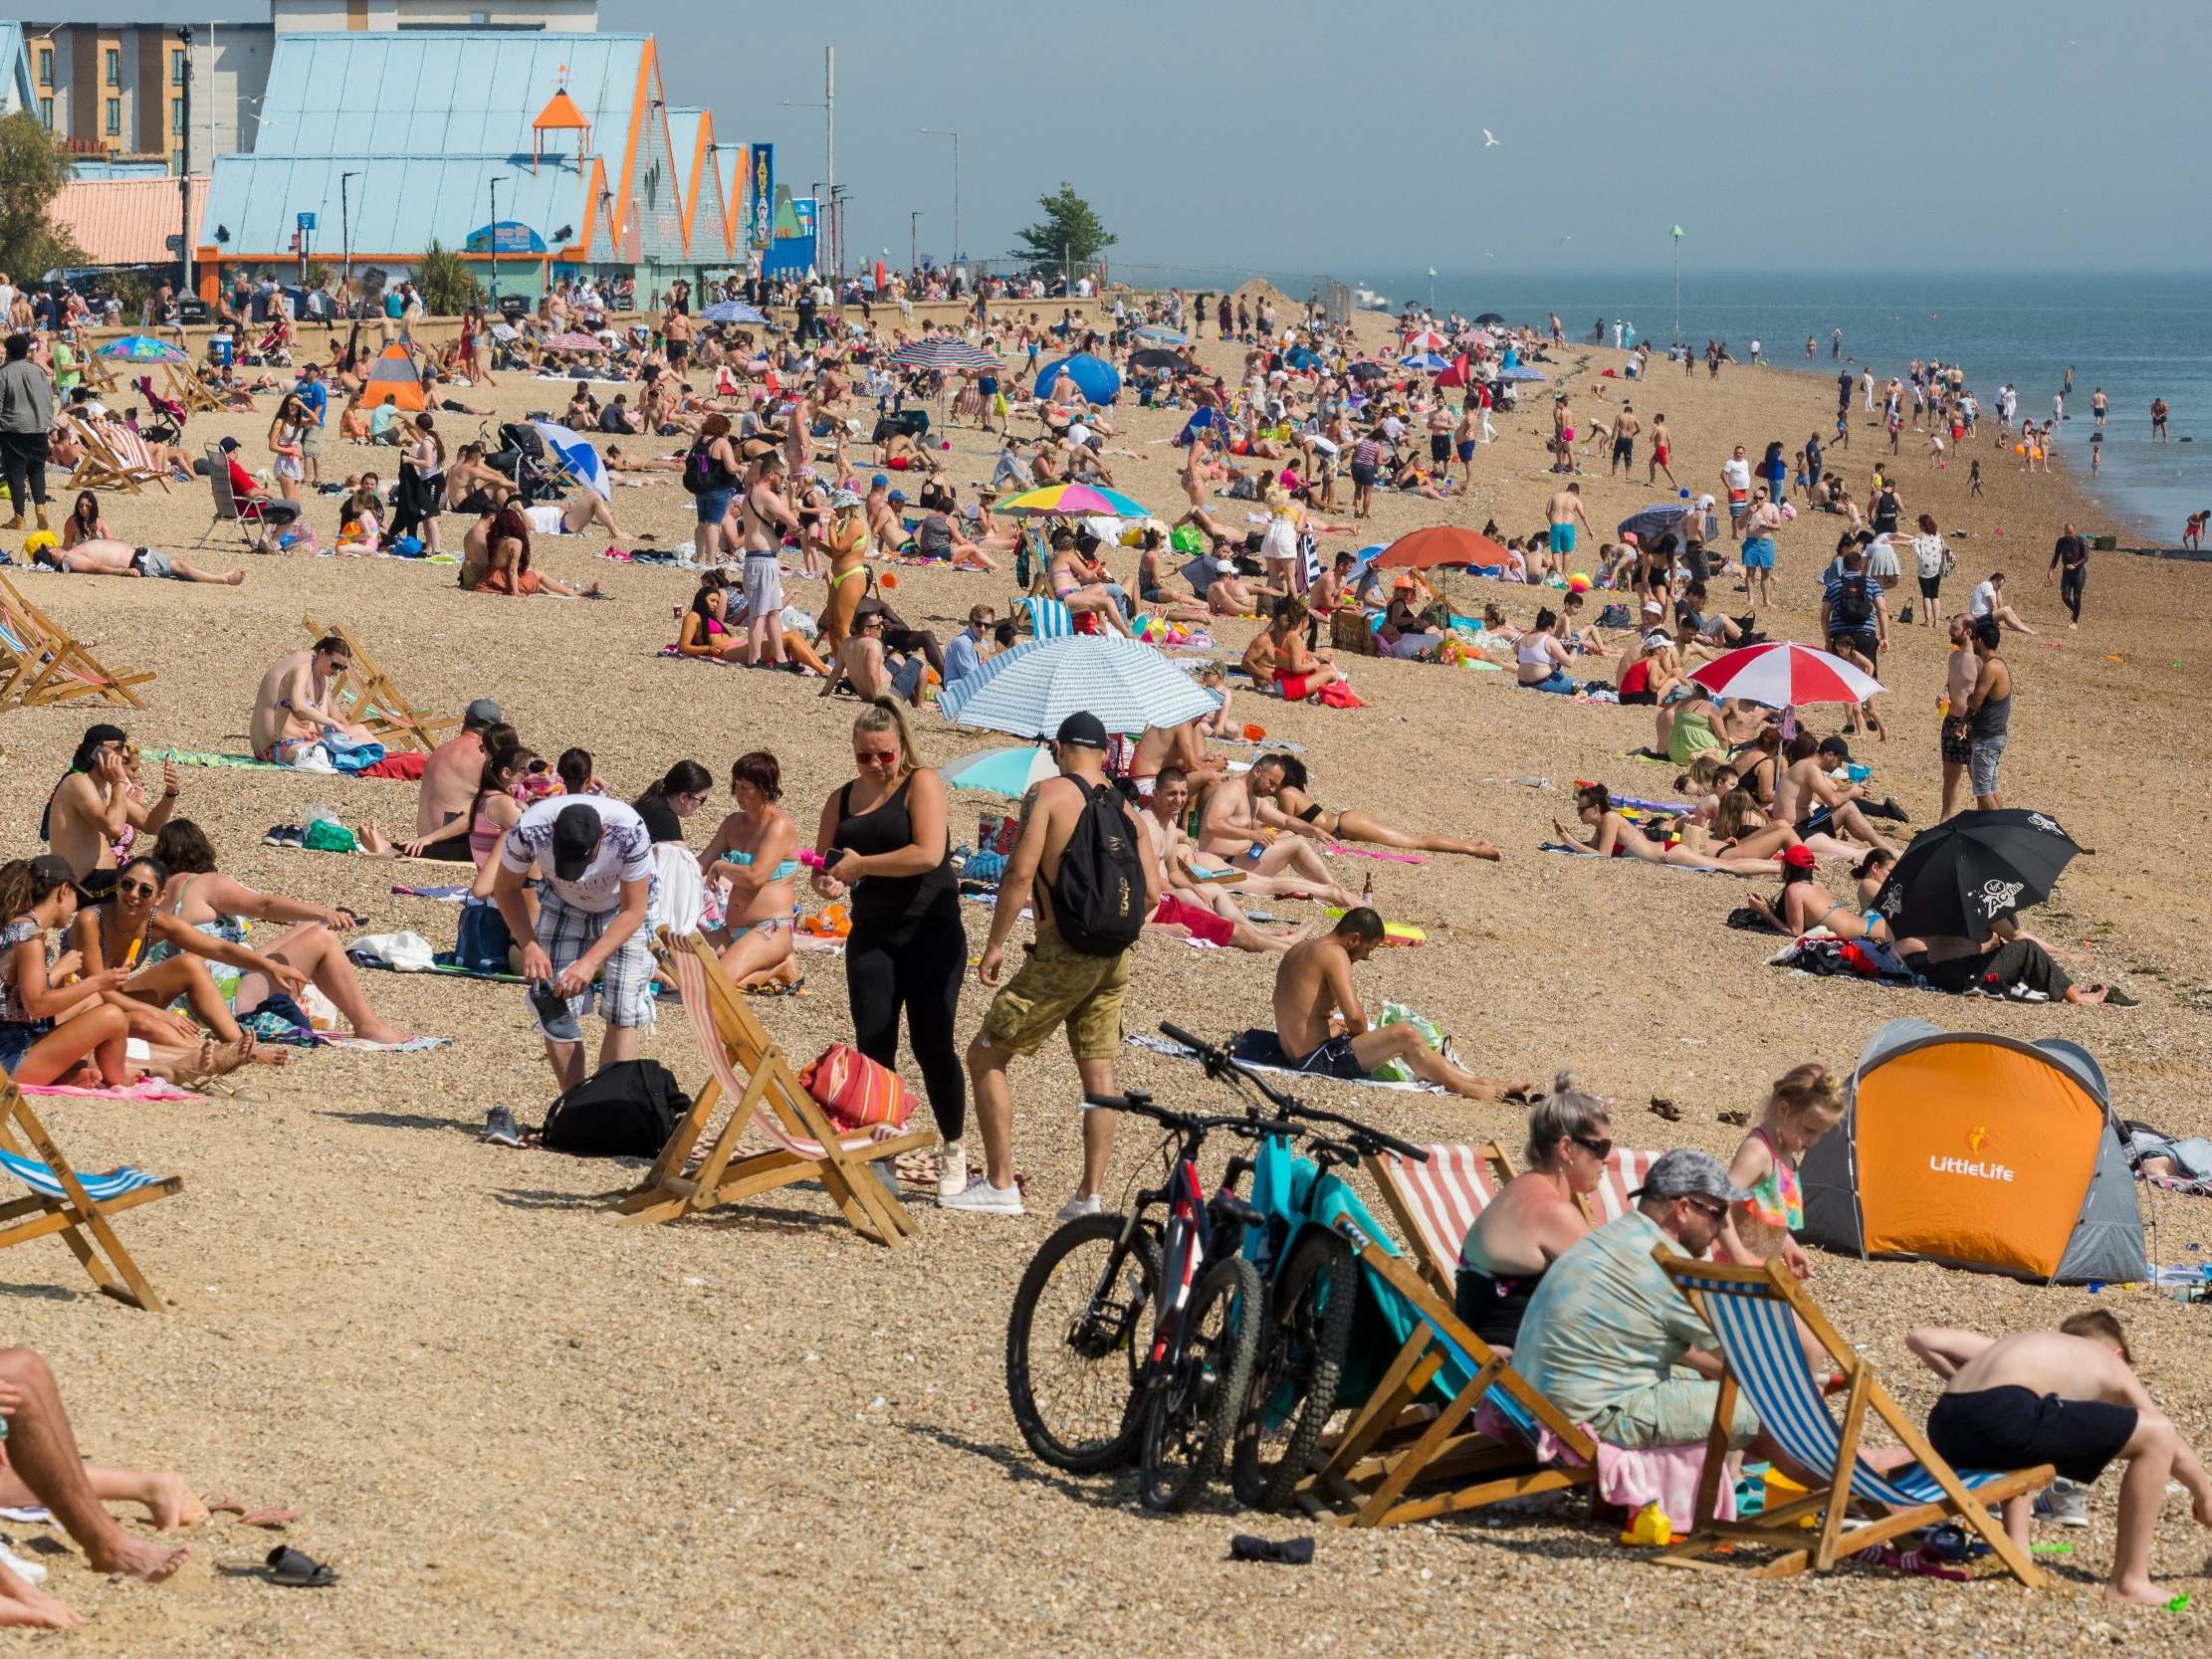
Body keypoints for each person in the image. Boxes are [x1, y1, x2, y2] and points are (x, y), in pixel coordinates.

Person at [951, 712, 1157, 1218]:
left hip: (1062, 952)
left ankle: (1000, 1184)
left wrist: (996, 942)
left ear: (1061, 749)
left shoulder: (1047, 794)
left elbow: (1019, 874)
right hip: (1114, 958)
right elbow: (1153, 893)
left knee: (986, 1055)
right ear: (1105, 754)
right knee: (1098, 1070)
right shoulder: (1127, 809)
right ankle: (1088, 1197)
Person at [1907, 1311, 2212, 1605]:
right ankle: (2129, 1582)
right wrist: (2204, 1495)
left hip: (1946, 1425)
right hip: (2004, 1418)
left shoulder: (2024, 1346)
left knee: (2038, 1425)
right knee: (2157, 1433)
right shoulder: (2110, 1362)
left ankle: (2017, 1550)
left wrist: (1982, 1404)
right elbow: (2174, 1446)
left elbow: (1919, 1338)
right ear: (2117, 1352)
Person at [813, 703, 970, 1193]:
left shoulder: (920, 782)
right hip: (873, 934)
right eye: (865, 757)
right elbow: (825, 863)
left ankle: (953, 1148)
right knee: (874, 1044)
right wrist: (829, 883)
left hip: (930, 930)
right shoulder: (840, 799)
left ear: (900, 748)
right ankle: (881, 1154)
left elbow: (929, 853)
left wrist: (863, 867)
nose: (876, 764)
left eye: (883, 755)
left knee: (933, 1044)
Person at [146, 820, 413, 1043]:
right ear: (202, 851)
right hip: (225, 999)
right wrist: (323, 912)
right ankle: (367, 1024)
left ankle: (362, 1019)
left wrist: (312, 919)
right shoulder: (206, 884)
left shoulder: (159, 896)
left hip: (189, 1002)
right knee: (323, 936)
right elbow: (265, 905)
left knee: (312, 928)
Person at [1260, 909, 1528, 1100]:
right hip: (1318, 1061)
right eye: (1368, 950)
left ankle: (1480, 1080)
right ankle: (1464, 1087)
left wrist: (1333, 1025)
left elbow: (1299, 1008)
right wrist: (1364, 1037)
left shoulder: (1302, 948)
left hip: (1296, 1052)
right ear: (1354, 938)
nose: (1364, 957)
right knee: (1404, 1034)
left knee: (1393, 1036)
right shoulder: (1335, 954)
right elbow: (1355, 1018)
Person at [490, 794, 656, 1091]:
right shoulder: (529, 829)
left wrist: (590, 963)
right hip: (562, 902)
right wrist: (529, 944)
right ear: (552, 830)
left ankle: (607, 1104)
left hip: (623, 906)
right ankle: (575, 1106)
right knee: (555, 1004)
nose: (578, 874)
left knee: (623, 1009)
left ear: (602, 835)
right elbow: (504, 889)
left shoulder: (629, 830)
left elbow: (634, 910)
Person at [1455, 1079, 1610, 1346]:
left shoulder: (1517, 1190)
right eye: (1602, 1148)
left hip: (1474, 1361)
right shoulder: (1554, 1213)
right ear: (1566, 1148)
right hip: (1513, 1377)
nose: (1606, 1159)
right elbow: (1614, 1304)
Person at [0, 856, 132, 1085]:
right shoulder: (29, 935)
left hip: (10, 1043)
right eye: (76, 897)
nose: (75, 907)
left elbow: (17, 999)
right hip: (10, 1062)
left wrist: (67, 976)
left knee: (91, 1000)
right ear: (63, 890)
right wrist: (96, 982)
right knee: (114, 1017)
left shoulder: (17, 925)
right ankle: (119, 1081)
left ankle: (69, 1075)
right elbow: (37, 1005)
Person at [1717, 1063, 1844, 1279]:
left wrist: (1787, 1244)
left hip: (1761, 1274)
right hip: (1733, 1275)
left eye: (1821, 1134)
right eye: (1810, 1130)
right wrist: (1740, 1258)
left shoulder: (1784, 1154)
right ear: (1784, 1109)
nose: (1814, 1141)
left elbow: (1764, 1214)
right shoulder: (1758, 1152)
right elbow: (1717, 1205)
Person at [1261, 754, 1502, 860]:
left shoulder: (1286, 794)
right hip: (1346, 821)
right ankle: (1473, 846)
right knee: (1414, 839)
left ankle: (1474, 849)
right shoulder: (1293, 792)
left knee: (1416, 842)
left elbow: (1286, 828)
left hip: (1345, 826)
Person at [696, 750, 801, 990]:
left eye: (747, 787)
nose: (738, 794)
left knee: (717, 985)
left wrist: (721, 866)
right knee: (683, 965)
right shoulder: (733, 823)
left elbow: (755, 877)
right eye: (736, 785)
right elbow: (702, 863)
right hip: (731, 929)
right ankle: (762, 969)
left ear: (766, 788)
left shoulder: (779, 825)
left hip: (769, 928)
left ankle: (780, 965)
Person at [1554, 784, 1781, 873]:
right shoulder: (1602, 822)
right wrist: (1570, 838)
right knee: (1726, 865)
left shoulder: (1611, 818)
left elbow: (1602, 856)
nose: (1578, 814)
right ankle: (1778, 867)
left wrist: (1570, 842)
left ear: (1595, 808)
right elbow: (1592, 849)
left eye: (1581, 810)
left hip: (1669, 853)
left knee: (1727, 866)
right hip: (1666, 850)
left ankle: (1778, 868)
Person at [250, 637, 372, 762]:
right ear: (322, 653)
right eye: (335, 665)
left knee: (359, 733)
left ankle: (389, 758)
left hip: (266, 746)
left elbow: (322, 722)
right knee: (357, 739)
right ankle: (387, 759)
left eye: (343, 668)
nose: (337, 672)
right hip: (276, 748)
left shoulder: (311, 669)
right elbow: (335, 719)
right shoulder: (305, 670)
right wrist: (343, 732)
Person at [412, 699, 505, 860]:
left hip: (422, 840)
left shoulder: (439, 751)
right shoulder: (484, 756)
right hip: (451, 843)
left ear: (464, 720)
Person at [0, 331, 54, 531]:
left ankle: (19, 517)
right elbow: (49, 399)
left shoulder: (3, 373)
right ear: (25, 352)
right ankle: (41, 508)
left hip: (13, 429)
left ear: (9, 353)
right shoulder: (37, 371)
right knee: (37, 470)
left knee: (15, 473)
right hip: (39, 428)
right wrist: (45, 423)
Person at [29, 537, 244, 585]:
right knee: (180, 567)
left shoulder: (71, 552)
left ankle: (219, 576)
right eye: (50, 550)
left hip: (137, 557)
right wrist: (123, 572)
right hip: (137, 562)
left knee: (179, 567)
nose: (53, 548)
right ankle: (220, 579)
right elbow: (95, 568)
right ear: (53, 556)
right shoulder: (68, 559)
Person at [1963, 617, 2011, 810]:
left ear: (1980, 641)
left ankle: (1996, 835)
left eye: (1973, 638)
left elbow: (1975, 701)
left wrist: (1968, 699)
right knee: (1990, 787)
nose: (1972, 643)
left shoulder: (1991, 667)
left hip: (1988, 737)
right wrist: (1963, 722)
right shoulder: (1996, 664)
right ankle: (2001, 827)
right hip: (1992, 735)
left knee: (1982, 791)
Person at [1939, 615, 1978, 820]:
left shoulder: (1979, 660)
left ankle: (1986, 818)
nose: (1950, 632)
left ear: (1968, 632)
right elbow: (1951, 683)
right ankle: (1945, 819)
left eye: (1954, 629)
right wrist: (1943, 694)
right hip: (1951, 721)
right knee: (1950, 777)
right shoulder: (1953, 657)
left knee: (1978, 778)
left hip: (1971, 724)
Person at [1967, 570, 2037, 635]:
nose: (1999, 588)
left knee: (2007, 608)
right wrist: (1996, 622)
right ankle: (2026, 630)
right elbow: (1993, 606)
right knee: (2005, 611)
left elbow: (2000, 607)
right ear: (1994, 580)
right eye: (1999, 585)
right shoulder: (1987, 585)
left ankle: (2023, 627)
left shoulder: (1990, 587)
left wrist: (1998, 591)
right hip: (1979, 620)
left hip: (1982, 618)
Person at [2048, 521, 2089, 629]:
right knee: (2065, 597)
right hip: (2066, 572)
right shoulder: (2061, 542)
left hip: (2079, 572)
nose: (2068, 535)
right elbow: (2056, 557)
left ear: (2075, 531)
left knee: (2076, 596)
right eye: (2066, 533)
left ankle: (2074, 621)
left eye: (2070, 533)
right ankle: (2075, 610)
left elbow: (2085, 557)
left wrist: (2075, 565)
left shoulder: (2082, 541)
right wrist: (2051, 570)